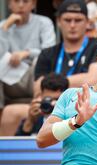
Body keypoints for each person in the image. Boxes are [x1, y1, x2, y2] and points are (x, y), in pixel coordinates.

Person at [0, 0, 56, 136]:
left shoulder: (44, 22)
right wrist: (4, 31)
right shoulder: (3, 26)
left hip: (32, 74)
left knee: (39, 61)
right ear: (9, 4)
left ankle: (37, 105)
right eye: (16, 1)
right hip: (8, 78)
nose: (20, 5)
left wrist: (27, 53)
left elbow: (50, 50)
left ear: (33, 4)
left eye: (25, 1)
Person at [34, 0, 97, 97]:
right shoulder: (47, 53)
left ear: (87, 22)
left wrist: (55, 83)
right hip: (54, 107)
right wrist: (80, 80)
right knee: (10, 111)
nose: (72, 25)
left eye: (78, 20)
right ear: (58, 21)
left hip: (86, 104)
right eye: (67, 20)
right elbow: (38, 89)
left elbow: (94, 79)